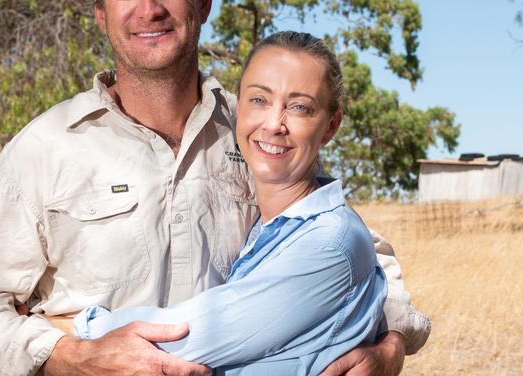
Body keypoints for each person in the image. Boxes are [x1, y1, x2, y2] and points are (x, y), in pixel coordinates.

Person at [0, 0, 430, 376]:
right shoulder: (45, 149)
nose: (149, 9)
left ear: (203, 0)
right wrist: (67, 355)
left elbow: (358, 251)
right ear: (101, 14)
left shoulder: (256, 134)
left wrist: (390, 347)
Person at [73, 31, 389, 375]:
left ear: (330, 126)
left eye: (299, 107)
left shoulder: (330, 242)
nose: (274, 123)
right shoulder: (268, 226)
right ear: (238, 106)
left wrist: (64, 328)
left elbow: (177, 338)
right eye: (259, 100)